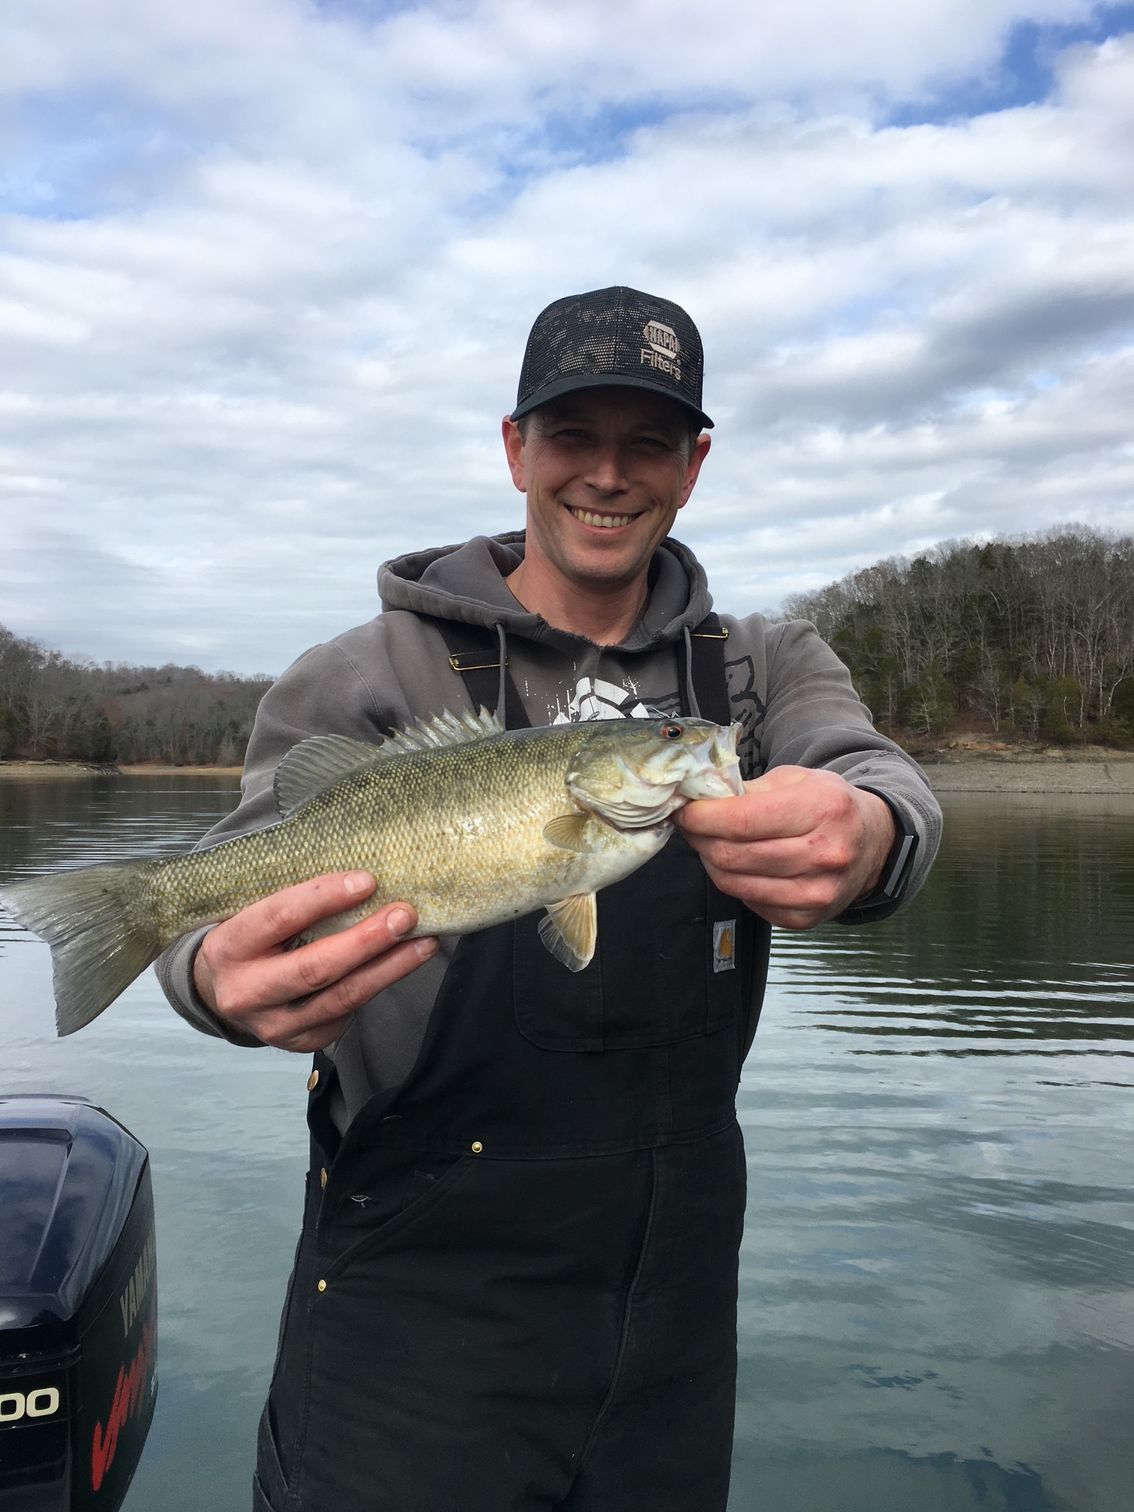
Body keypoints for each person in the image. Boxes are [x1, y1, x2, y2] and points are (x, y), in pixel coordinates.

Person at [158, 285, 942, 1512]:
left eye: (650, 442)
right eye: (575, 434)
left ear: (695, 465)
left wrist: (877, 827)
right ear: (517, 447)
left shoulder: (759, 670)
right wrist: (206, 976)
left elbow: (867, 768)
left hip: (671, 1318)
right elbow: (225, 890)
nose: (609, 475)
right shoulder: (367, 672)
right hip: (411, 1322)